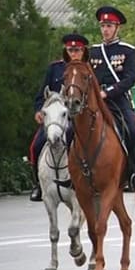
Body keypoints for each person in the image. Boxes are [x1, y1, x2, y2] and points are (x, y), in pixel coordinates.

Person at [89, 6, 135, 190]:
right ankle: (73, 172)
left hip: (119, 100)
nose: (105, 29)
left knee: (132, 130)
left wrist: (108, 92)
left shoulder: (128, 50)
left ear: (117, 28)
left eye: (109, 26)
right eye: (103, 25)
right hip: (95, 101)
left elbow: (130, 79)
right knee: (72, 129)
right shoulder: (93, 51)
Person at [28, 33, 89, 201]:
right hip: (54, 119)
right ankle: (38, 185)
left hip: (76, 118)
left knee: (72, 138)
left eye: (77, 50)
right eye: (70, 50)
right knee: (36, 145)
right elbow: (41, 95)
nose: (74, 53)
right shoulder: (55, 68)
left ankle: (79, 180)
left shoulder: (87, 68)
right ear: (66, 51)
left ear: (83, 51)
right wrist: (39, 111)